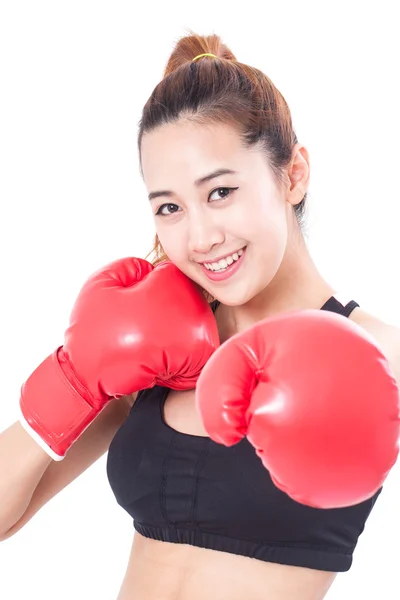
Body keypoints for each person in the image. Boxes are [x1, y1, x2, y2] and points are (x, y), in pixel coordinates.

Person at [1, 31, 400, 600]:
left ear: (293, 175)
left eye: (220, 193)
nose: (200, 238)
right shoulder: (160, 345)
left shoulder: (383, 357)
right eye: (169, 207)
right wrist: (74, 375)